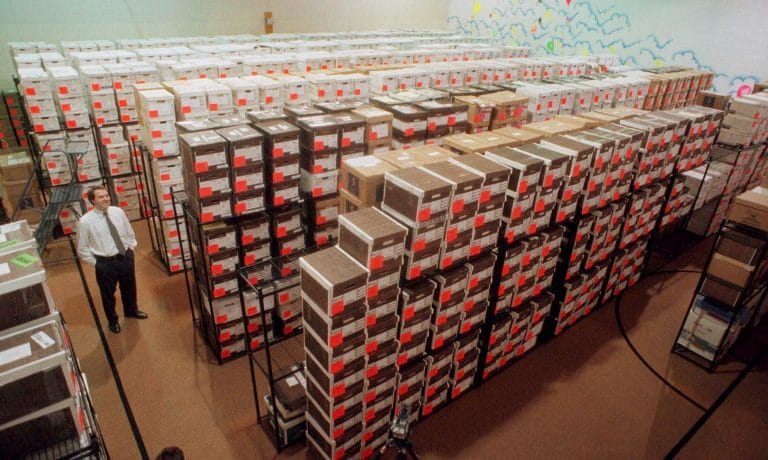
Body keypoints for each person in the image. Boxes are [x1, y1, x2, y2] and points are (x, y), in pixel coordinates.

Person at [77, 185, 147, 333]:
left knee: (129, 287)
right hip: (105, 262)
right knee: (108, 294)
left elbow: (129, 231)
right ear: (92, 200)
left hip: (125, 256)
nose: (105, 199)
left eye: (106, 195)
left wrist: (130, 248)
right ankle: (113, 321)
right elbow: (82, 248)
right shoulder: (85, 222)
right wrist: (97, 263)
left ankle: (131, 311)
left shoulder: (118, 212)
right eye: (101, 197)